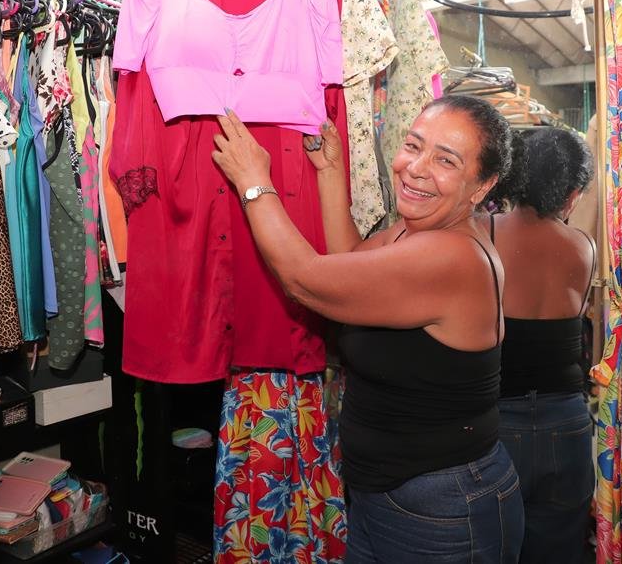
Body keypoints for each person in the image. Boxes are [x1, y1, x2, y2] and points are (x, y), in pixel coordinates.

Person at [211, 95, 524, 563]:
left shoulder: (452, 255)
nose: (416, 167)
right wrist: (330, 171)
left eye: (445, 160)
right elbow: (350, 264)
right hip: (387, 497)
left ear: (482, 186)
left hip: (444, 509)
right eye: (413, 146)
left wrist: (255, 183)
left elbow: (307, 280)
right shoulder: (411, 232)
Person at [485, 127, 597, 564]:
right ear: (571, 194)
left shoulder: (482, 234)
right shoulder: (583, 247)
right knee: (559, 550)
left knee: (496, 547)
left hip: (499, 418)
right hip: (567, 420)